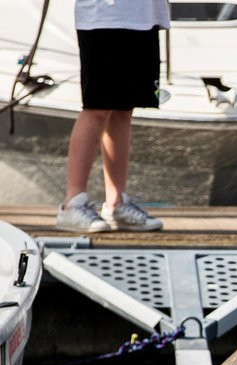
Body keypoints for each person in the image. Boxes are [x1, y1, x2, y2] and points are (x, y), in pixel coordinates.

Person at [56, 0, 170, 233]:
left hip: (144, 16)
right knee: (97, 108)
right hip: (103, 17)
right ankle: (72, 203)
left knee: (123, 109)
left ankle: (116, 202)